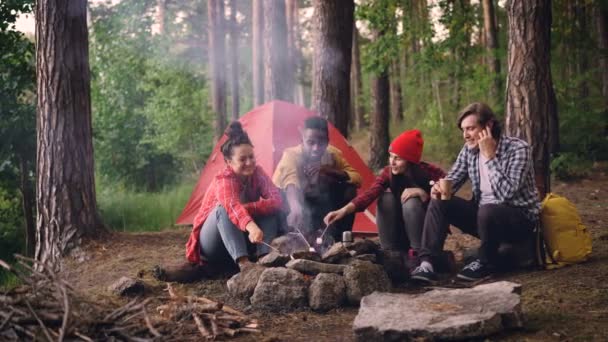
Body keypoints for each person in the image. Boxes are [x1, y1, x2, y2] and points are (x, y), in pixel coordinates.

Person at [410, 102, 541, 284]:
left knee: (488, 210)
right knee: (440, 201)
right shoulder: (469, 150)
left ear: (488, 126)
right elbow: (453, 178)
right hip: (483, 219)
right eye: (463, 130)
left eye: (470, 128)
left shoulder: (518, 149)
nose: (465, 135)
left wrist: (489, 157)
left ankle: (485, 262)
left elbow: (505, 194)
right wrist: (438, 188)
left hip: (518, 222)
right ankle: (427, 264)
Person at [155, 122, 283, 282]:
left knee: (270, 210)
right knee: (222, 210)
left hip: (243, 235)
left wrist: (248, 208)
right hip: (213, 243)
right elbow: (231, 207)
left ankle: (264, 257)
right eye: (242, 159)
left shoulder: (257, 173)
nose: (249, 162)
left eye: (251, 157)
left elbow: (276, 199)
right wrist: (251, 225)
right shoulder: (224, 179)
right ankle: (245, 265)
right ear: (229, 162)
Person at [323, 129, 445, 264]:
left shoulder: (431, 173)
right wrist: (342, 211)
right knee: (385, 198)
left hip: (427, 237)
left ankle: (419, 256)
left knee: (411, 201)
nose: (392, 162)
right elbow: (369, 194)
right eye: (391, 156)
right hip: (401, 232)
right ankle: (390, 254)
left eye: (398, 158)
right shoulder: (389, 173)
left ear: (410, 161)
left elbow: (446, 203)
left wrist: (424, 194)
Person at [272, 117, 362, 243]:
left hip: (318, 205)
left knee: (349, 190)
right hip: (289, 206)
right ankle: (286, 237)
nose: (316, 148)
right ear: (302, 140)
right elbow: (290, 181)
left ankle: (340, 240)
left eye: (321, 143)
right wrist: (295, 206)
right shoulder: (291, 155)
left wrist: (327, 170)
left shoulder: (332, 154)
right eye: (310, 142)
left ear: (327, 141)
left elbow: (357, 179)